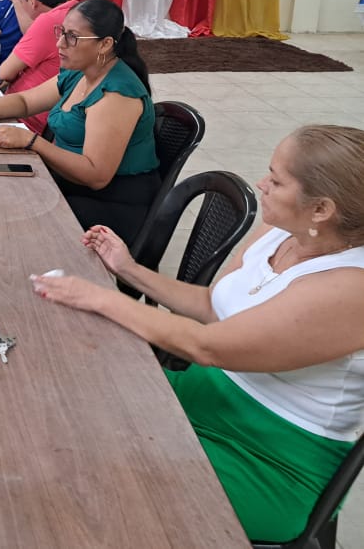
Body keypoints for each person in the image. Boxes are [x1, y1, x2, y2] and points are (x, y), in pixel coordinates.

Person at [29, 125, 364, 544]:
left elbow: (207, 346)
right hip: (203, 398)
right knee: (55, 398)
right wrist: (128, 269)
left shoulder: (350, 287)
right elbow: (212, 305)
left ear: (322, 209)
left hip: (267, 458)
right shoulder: (283, 231)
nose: (262, 183)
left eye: (277, 181)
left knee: (81, 477)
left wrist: (101, 298)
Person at [0, 0, 159, 245]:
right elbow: (25, 101)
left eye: (72, 37)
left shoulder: (116, 94)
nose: (60, 43)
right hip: (68, 183)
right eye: (61, 32)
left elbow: (96, 175)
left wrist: (32, 142)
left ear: (105, 44)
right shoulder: (79, 72)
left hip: (108, 206)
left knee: (10, 223)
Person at [0, 0, 76, 134]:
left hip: (27, 118)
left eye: (21, 0)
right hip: (46, 112)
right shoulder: (74, 11)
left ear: (32, 0)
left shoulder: (48, 21)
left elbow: (5, 72)